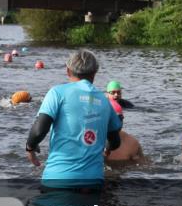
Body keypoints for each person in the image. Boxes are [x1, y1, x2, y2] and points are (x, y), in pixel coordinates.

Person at [24, 49, 122, 188]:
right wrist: (107, 149)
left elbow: (39, 130)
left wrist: (30, 147)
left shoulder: (57, 92)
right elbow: (115, 141)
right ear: (95, 73)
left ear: (68, 71)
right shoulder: (105, 101)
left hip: (58, 179)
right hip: (93, 181)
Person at [104, 81, 143, 163]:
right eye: (113, 93)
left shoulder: (89, 142)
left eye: (118, 93)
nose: (116, 95)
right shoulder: (133, 144)